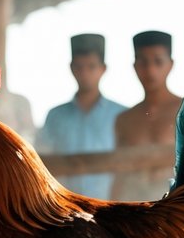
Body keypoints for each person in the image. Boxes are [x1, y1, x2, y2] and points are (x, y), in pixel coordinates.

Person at [37, 34, 126, 199]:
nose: (84, 73)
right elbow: (41, 164)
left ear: (103, 68)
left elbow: (126, 170)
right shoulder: (55, 116)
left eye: (91, 66)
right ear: (71, 68)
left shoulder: (122, 115)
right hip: (64, 210)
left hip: (111, 209)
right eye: (79, 66)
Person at [111, 31, 178, 200]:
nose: (150, 69)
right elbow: (118, 175)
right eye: (143, 62)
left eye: (158, 61)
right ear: (135, 66)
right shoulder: (124, 120)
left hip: (178, 212)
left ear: (170, 65)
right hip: (135, 213)